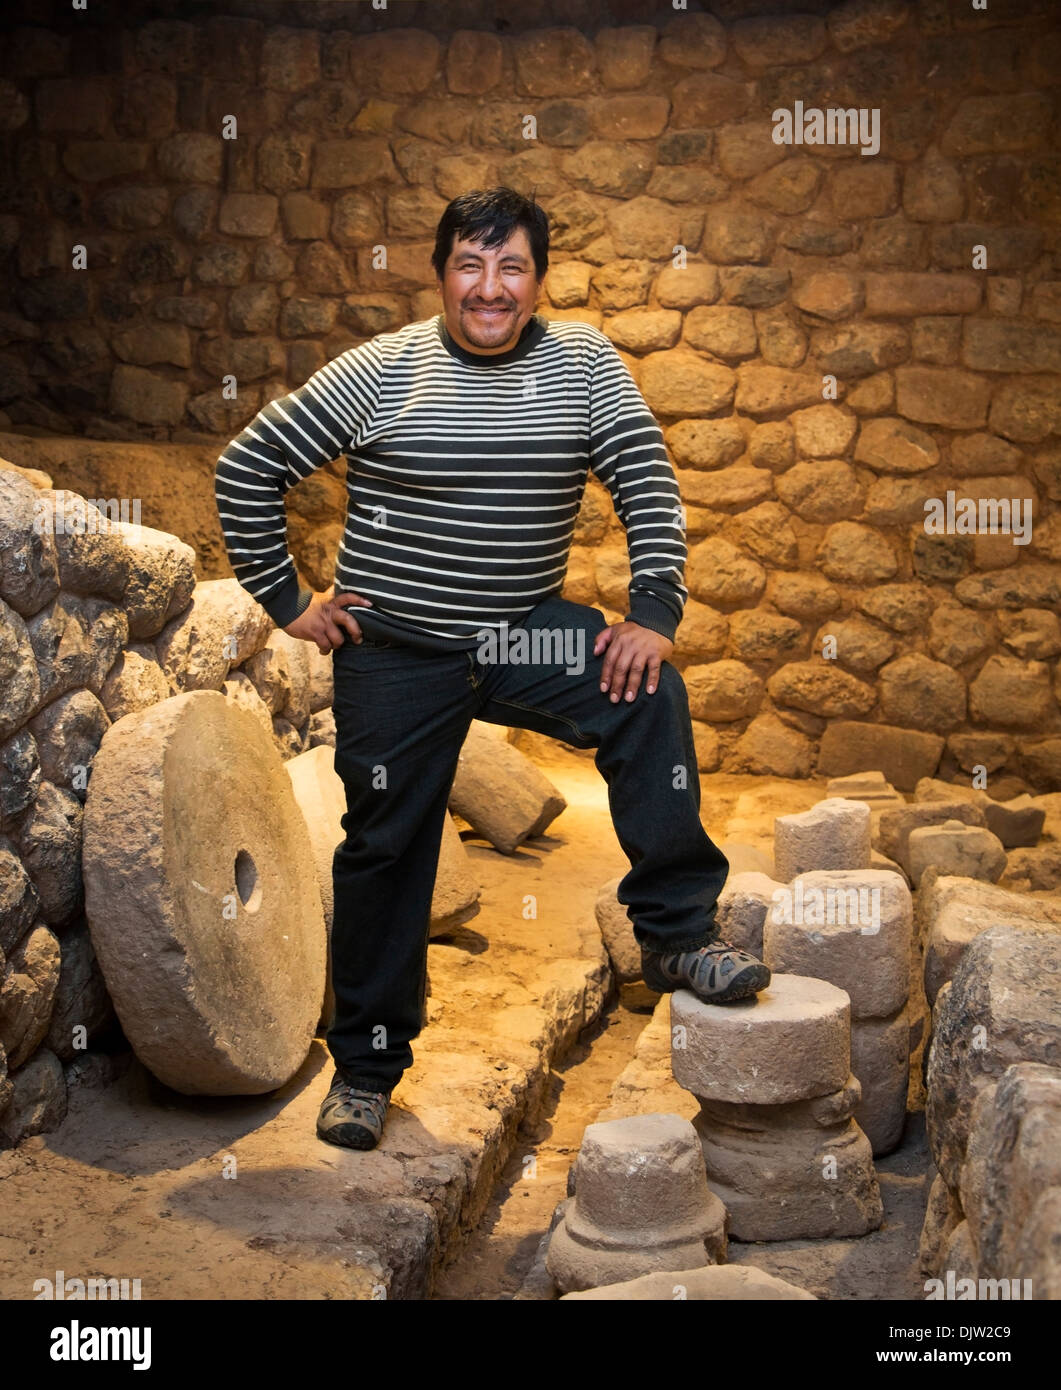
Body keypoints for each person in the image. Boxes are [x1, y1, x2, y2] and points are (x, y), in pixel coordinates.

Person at [214, 186, 770, 1152]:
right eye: (470, 266)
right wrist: (292, 603)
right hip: (397, 652)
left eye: (511, 267)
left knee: (646, 694)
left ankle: (677, 937)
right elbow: (246, 469)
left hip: (521, 634)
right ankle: (367, 1069)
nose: (490, 287)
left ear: (538, 280)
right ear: (441, 277)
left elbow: (648, 484)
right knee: (387, 844)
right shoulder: (381, 371)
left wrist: (653, 614)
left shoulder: (583, 362)